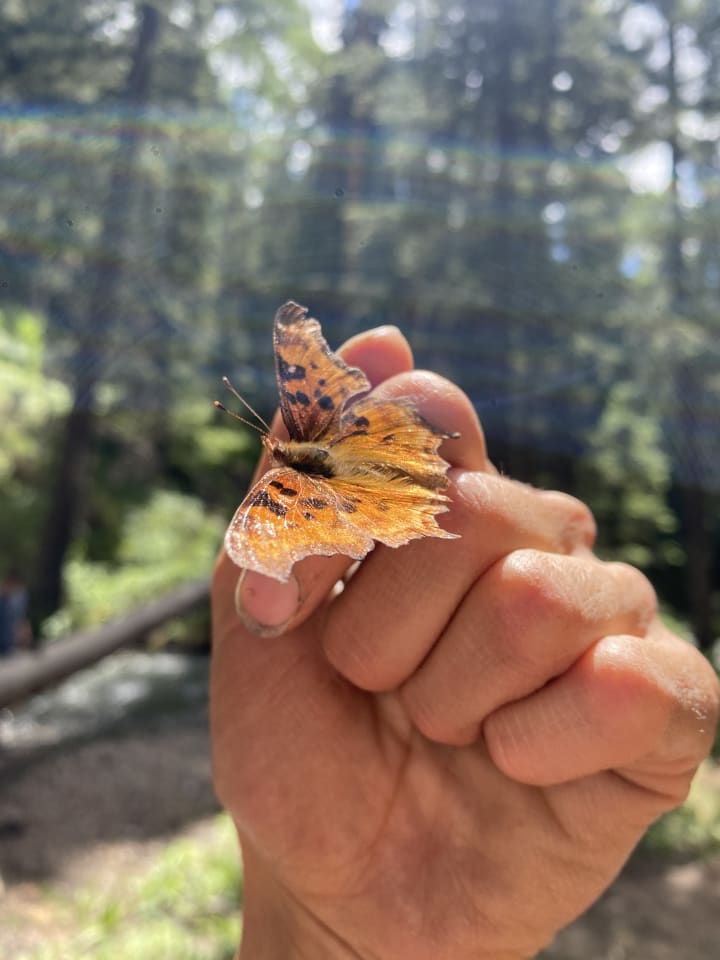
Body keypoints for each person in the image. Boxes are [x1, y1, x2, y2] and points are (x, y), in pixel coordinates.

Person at [210, 324, 719, 960]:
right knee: (430, 464)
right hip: (367, 470)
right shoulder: (283, 485)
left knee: (440, 465)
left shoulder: (285, 489)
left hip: (360, 480)